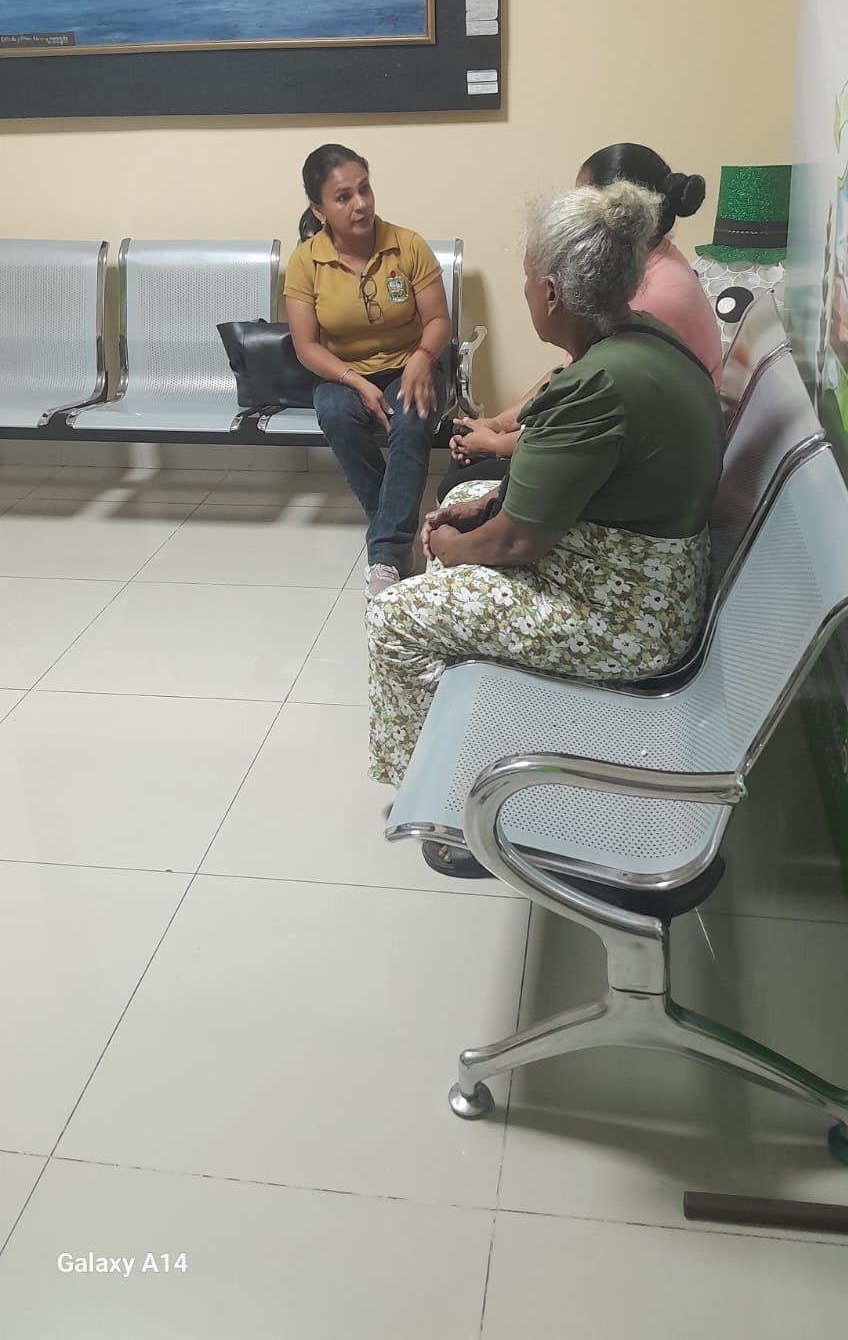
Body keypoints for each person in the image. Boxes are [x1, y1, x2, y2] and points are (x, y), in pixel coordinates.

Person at [367, 181, 725, 876]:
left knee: (395, 617)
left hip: (627, 620)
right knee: (467, 495)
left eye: (529, 277)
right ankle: (477, 738)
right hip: (649, 576)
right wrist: (478, 513)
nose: (526, 290)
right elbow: (557, 479)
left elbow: (519, 542)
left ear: (554, 293)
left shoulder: (597, 385)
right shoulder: (640, 339)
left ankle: (445, 807)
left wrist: (453, 546)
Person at [438, 142, 722, 501]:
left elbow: (588, 415)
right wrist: (499, 423)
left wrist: (498, 444)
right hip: (621, 436)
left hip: (651, 464)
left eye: (579, 203)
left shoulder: (651, 296)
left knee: (463, 481)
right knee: (465, 468)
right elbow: (568, 377)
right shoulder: (644, 268)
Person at [285, 144, 451, 597]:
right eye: (343, 197)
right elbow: (305, 346)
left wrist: (422, 359)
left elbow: (439, 320)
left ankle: (386, 557)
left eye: (365, 189)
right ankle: (395, 528)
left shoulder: (407, 245)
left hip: (410, 363)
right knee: (337, 414)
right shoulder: (306, 262)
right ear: (318, 210)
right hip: (341, 372)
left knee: (412, 417)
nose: (360, 204)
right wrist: (355, 381)